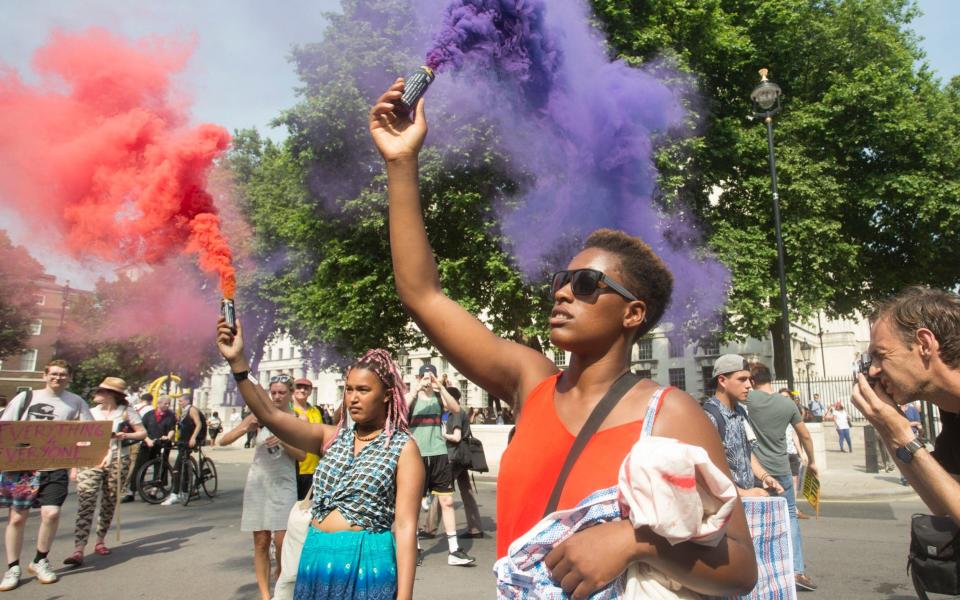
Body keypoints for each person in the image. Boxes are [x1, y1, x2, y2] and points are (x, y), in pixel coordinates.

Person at [368, 79, 757, 597]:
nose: (563, 292)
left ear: (632, 313)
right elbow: (422, 294)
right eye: (561, 280)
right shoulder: (531, 382)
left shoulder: (671, 413)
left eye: (587, 284)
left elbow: (739, 570)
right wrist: (400, 161)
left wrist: (636, 543)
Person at [216, 321, 423, 600]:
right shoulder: (331, 436)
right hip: (315, 558)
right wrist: (238, 363)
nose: (353, 398)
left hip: (367, 563)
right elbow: (270, 416)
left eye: (363, 390)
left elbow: (406, 527)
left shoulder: (402, 447)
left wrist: (405, 597)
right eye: (348, 389)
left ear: (387, 396)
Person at [852, 287, 960, 523]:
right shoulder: (952, 414)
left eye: (881, 355)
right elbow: (943, 504)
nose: (873, 370)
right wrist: (885, 425)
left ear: (924, 344)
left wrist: (903, 437)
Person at [0, 359, 94, 591]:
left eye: (63, 374)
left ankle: (40, 560)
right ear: (45, 375)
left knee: (51, 514)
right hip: (23, 468)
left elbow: (89, 431)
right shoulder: (26, 398)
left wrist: (93, 448)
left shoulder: (76, 401)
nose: (58, 377)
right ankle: (13, 567)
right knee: (17, 518)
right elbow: (5, 426)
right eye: (53, 373)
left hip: (55, 467)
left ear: (69, 377)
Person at [218, 374, 304, 600]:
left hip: (284, 484)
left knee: (282, 541)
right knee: (261, 541)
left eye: (281, 392)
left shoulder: (295, 419)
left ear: (290, 393)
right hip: (258, 483)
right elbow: (223, 441)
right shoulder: (258, 416)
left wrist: (284, 441)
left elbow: (302, 456)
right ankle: (266, 595)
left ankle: (281, 582)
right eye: (273, 392)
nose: (276, 397)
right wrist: (245, 428)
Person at [744, 362, 818, 591]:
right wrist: (812, 460)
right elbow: (804, 434)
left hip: (756, 470)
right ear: (771, 379)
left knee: (754, 520)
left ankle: (758, 568)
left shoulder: (748, 401)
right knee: (790, 517)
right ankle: (796, 570)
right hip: (781, 468)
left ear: (753, 381)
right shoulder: (786, 403)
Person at [63, 378, 146, 566]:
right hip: (90, 460)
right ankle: (79, 548)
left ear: (110, 394)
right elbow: (78, 440)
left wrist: (125, 435)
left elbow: (142, 433)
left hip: (118, 459)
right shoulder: (89, 413)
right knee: (86, 500)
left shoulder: (126, 412)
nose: (96, 394)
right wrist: (74, 467)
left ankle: (100, 540)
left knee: (109, 500)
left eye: (100, 391)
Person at [408, 363, 475, 566]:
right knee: (414, 506)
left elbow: (455, 408)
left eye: (431, 377)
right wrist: (416, 389)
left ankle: (454, 550)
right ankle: (415, 547)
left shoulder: (438, 397)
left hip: (439, 454)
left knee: (446, 501)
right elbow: (400, 409)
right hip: (417, 455)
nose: (428, 380)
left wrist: (441, 386)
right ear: (419, 378)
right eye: (425, 377)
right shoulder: (411, 398)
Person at [702, 355, 784, 498]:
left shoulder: (740, 411)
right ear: (722, 381)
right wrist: (744, 494)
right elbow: (705, 471)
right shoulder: (709, 417)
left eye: (749, 379)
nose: (749, 385)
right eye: (742, 379)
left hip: (745, 506)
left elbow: (746, 452)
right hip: (725, 509)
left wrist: (764, 476)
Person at [421, 386, 484, 540]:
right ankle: (475, 528)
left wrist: (442, 435)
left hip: (453, 456)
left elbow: (456, 437)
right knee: (466, 491)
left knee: (440, 491)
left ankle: (430, 528)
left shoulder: (455, 413)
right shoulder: (458, 412)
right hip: (461, 457)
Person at [124, 394, 177, 503]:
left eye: (168, 404)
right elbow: (142, 430)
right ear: (159, 404)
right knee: (139, 466)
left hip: (162, 444)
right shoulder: (149, 415)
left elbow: (172, 429)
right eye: (165, 403)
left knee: (161, 467)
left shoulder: (170, 416)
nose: (167, 406)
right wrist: (147, 440)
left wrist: (168, 436)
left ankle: (155, 490)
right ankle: (131, 492)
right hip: (148, 443)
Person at [160, 395, 206, 506]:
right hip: (184, 439)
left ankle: (175, 494)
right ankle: (184, 491)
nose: (179, 403)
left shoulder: (192, 409)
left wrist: (193, 438)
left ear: (187, 400)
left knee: (177, 467)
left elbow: (198, 423)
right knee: (183, 466)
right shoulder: (184, 411)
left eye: (180, 401)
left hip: (190, 439)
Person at [291, 378, 324, 500]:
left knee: (310, 509)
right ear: (293, 389)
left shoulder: (317, 410)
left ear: (311, 391)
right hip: (296, 468)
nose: (302, 390)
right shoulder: (289, 411)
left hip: (315, 468)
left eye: (306, 388)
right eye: (299, 387)